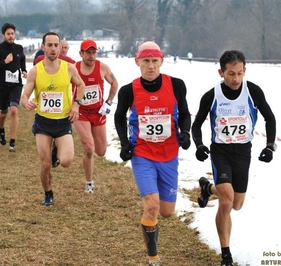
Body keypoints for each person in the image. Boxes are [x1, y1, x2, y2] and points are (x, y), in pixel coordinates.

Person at [191, 50, 276, 266]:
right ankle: (226, 253)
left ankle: (208, 188)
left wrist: (269, 146)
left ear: (245, 71)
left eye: (239, 73)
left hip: (243, 152)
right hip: (221, 152)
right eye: (231, 73)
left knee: (237, 204)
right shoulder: (211, 96)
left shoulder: (253, 91)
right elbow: (196, 124)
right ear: (221, 72)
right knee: (227, 202)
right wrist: (199, 145)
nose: (236, 79)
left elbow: (270, 117)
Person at [114, 41, 191, 266]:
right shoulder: (129, 90)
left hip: (168, 154)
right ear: (137, 61)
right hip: (143, 154)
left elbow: (185, 113)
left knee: (166, 212)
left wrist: (185, 132)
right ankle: (153, 257)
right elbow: (119, 116)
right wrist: (124, 143)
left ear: (161, 61)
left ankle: (152, 231)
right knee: (152, 206)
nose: (150, 66)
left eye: (154, 61)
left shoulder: (176, 85)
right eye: (146, 61)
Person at [20, 32, 85, 206]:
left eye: (56, 45)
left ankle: (57, 149)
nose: (53, 48)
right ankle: (48, 193)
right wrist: (26, 102)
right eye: (49, 45)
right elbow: (24, 95)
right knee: (45, 163)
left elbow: (81, 85)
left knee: (66, 161)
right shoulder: (35, 71)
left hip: (63, 122)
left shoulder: (69, 68)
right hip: (43, 122)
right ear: (43, 47)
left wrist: (76, 104)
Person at [72, 39, 118, 193]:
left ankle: (87, 157)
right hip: (81, 112)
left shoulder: (102, 67)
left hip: (98, 111)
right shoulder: (74, 69)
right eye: (88, 53)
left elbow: (115, 83)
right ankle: (89, 182)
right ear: (81, 53)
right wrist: (73, 104)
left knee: (101, 151)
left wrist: (108, 102)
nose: (91, 56)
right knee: (89, 148)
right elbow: (63, 85)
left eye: (94, 52)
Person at [0, 23, 27, 152]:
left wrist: (24, 70)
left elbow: (22, 60)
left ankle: (12, 142)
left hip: (16, 85)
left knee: (14, 110)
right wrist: (4, 62)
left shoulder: (19, 48)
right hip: (2, 86)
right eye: (8, 34)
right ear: (3, 35)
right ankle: (1, 129)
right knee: (3, 113)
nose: (11, 36)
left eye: (12, 34)